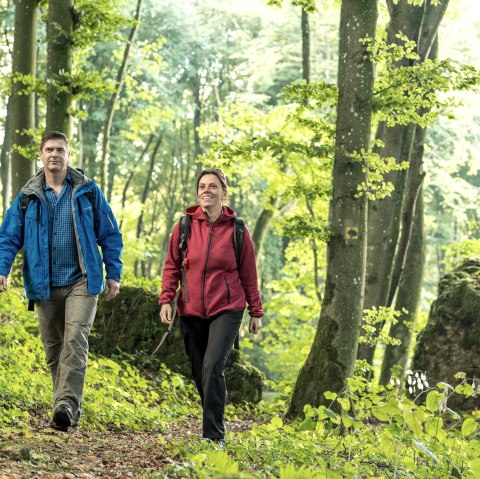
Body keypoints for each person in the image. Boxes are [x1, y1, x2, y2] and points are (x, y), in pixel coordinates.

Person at [0, 131, 123, 432]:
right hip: (43, 284)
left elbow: (110, 234)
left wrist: (113, 273)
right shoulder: (28, 197)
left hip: (82, 280)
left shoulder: (88, 191)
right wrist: (2, 270)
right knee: (54, 349)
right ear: (40, 155)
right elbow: (8, 237)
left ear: (69, 154)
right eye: (49, 150)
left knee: (75, 340)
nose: (54, 154)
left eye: (60, 150)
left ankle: (66, 405)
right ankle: (63, 409)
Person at [159, 168, 263, 445]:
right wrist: (167, 298)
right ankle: (214, 414)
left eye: (213, 186)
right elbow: (171, 266)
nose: (207, 190)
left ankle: (213, 435)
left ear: (224, 194)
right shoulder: (184, 226)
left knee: (213, 365)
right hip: (190, 309)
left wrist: (255, 311)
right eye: (202, 186)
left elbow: (249, 273)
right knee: (199, 370)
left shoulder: (238, 230)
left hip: (227, 308)